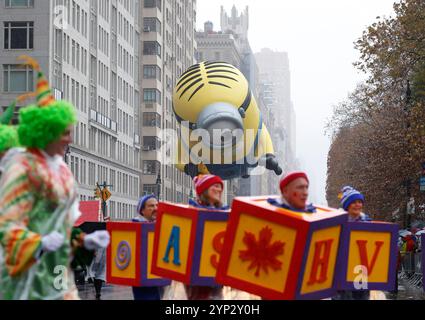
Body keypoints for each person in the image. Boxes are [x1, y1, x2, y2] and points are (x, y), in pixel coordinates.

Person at [0, 56, 110, 300]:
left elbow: (60, 225)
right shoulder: (22, 168)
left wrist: (84, 240)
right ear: (46, 131)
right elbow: (7, 224)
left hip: (58, 270)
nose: (70, 140)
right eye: (65, 133)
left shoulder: (61, 170)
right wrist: (37, 243)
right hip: (27, 276)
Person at [183, 174, 228, 300]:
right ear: (204, 189)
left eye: (220, 187)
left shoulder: (225, 213)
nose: (219, 190)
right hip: (197, 275)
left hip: (217, 273)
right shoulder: (192, 212)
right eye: (215, 186)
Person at [333, 186, 371, 300]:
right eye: (353, 202)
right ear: (346, 205)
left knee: (362, 297)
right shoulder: (336, 223)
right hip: (341, 269)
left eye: (360, 202)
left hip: (361, 270)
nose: (357, 205)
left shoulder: (368, 223)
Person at [131, 194, 164, 300]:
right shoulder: (134, 227)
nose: (155, 208)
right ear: (142, 211)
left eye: (157, 205)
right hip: (144, 278)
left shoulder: (161, 225)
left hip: (159, 277)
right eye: (151, 206)